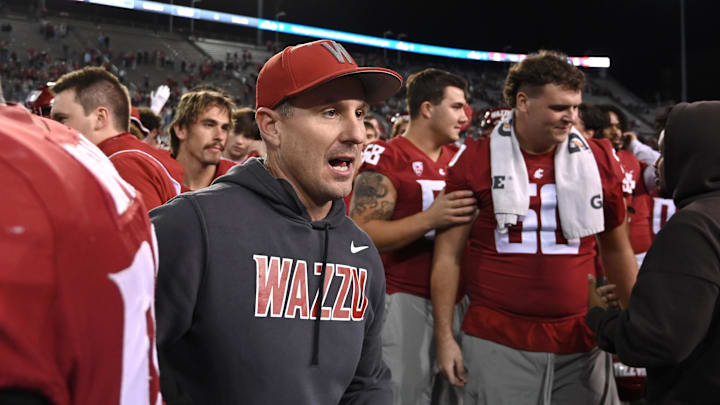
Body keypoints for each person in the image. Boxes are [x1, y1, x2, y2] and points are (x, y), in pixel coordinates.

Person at [150, 39, 402, 405]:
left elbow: (366, 384)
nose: (357, 134)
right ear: (270, 126)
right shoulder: (189, 227)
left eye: (360, 114)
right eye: (331, 112)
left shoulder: (360, 251)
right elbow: (110, 360)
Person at [431, 50, 638, 405]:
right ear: (523, 102)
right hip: (497, 339)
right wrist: (445, 337)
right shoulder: (477, 159)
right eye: (559, 108)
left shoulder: (599, 158)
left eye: (574, 107)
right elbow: (448, 256)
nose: (571, 118)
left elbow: (617, 247)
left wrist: (637, 323)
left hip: (581, 337)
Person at [0, 81, 161, 405]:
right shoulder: (94, 161)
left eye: (60, 117)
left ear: (100, 117)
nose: (48, 123)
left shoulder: (119, 161)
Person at [350, 67, 476, 405]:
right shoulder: (388, 156)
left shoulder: (462, 159)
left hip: (458, 299)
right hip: (403, 295)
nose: (465, 116)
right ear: (427, 108)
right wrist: (429, 219)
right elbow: (363, 232)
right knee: (405, 393)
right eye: (456, 106)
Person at [587, 101, 720, 404]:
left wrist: (600, 319)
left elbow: (657, 341)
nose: (659, 163)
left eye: (667, 152)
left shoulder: (695, 226)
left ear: (694, 155)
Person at [50, 66, 183, 210]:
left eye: (61, 119)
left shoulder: (121, 165)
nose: (52, 128)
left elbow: (147, 232)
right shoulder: (124, 155)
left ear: (100, 118)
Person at [597, 104, 652, 269]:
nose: (616, 132)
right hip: (606, 250)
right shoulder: (588, 158)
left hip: (640, 249)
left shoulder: (631, 158)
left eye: (619, 126)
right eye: (609, 126)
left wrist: (636, 145)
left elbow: (661, 164)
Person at [169, 89, 236, 191]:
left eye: (224, 128)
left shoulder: (240, 178)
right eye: (209, 125)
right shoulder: (156, 175)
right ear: (181, 130)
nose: (220, 136)